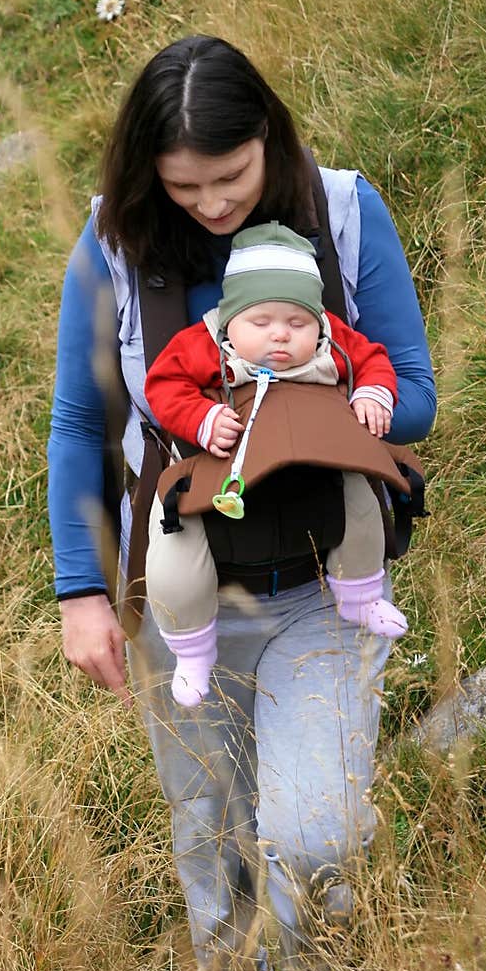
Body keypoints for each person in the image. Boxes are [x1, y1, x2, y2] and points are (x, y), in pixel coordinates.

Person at [46, 34, 436, 971]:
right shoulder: (110, 243)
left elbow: (415, 390)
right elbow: (77, 424)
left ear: (270, 136)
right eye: (185, 188)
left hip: (319, 585)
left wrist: (308, 405)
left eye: (230, 175)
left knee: (310, 833)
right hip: (183, 597)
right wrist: (80, 592)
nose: (213, 205)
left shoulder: (343, 211)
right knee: (212, 828)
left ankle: (316, 963)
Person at [143, 219, 407, 709]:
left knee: (362, 498)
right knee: (176, 548)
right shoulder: (206, 344)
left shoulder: (334, 340)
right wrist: (201, 418)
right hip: (220, 474)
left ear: (318, 320)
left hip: (317, 466)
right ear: (231, 318)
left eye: (297, 323)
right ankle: (192, 650)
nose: (280, 336)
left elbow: (373, 359)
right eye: (261, 323)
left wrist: (373, 393)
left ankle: (360, 593)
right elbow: (162, 385)